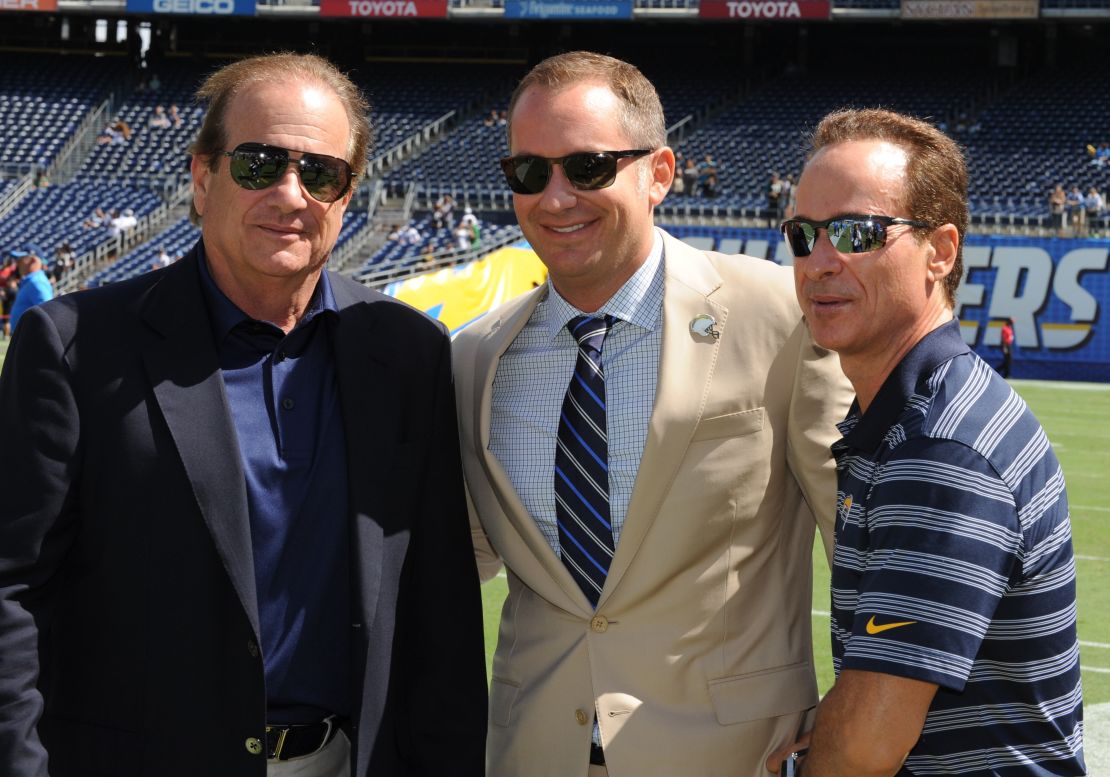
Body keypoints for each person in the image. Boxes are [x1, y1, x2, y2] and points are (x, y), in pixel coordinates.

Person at [0, 52, 487, 777]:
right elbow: (13, 591)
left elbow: (438, 602)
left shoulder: (406, 351)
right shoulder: (76, 345)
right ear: (202, 178)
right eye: (260, 164)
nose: (292, 194)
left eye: (321, 173)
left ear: (347, 198)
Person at [453, 51, 852, 777]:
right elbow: (458, 558)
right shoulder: (474, 357)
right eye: (529, 172)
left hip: (735, 754)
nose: (555, 196)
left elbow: (858, 544)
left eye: (588, 167)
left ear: (660, 173)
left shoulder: (778, 318)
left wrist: (851, 719)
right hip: (535, 750)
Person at [770, 107, 1084, 776]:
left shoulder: (940, 446)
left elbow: (865, 746)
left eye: (856, 233)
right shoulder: (912, 413)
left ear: (940, 251)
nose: (821, 262)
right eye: (804, 234)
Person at [8, 248, 54, 334]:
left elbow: (48, 313)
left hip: (31, 339)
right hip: (25, 338)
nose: (17, 263)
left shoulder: (37, 282)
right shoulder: (31, 281)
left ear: (33, 260)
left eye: (21, 259)